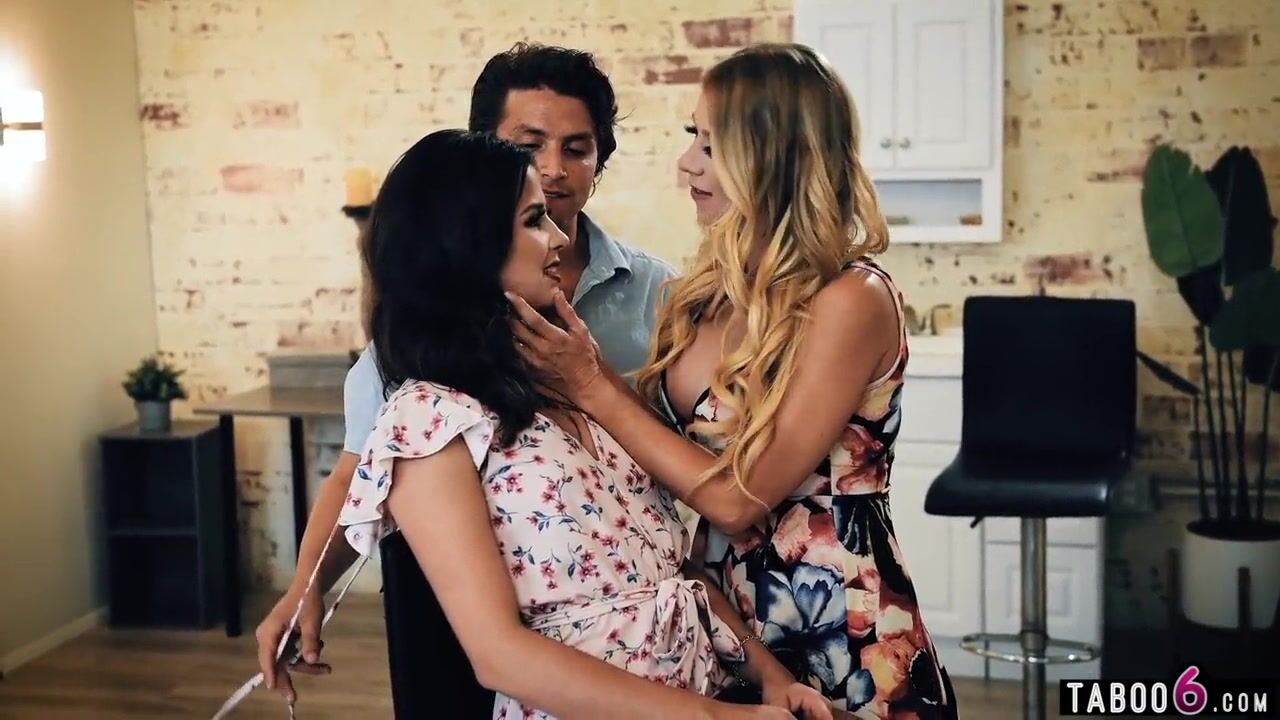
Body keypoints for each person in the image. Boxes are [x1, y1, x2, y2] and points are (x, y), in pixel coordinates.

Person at [275, 128, 830, 719]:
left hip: (705, 691)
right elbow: (500, 656)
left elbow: (670, 570)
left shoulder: (567, 381)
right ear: (467, 244)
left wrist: (770, 678)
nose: (562, 237)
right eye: (534, 220)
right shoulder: (428, 423)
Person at [508, 43, 959, 719]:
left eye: (712, 146)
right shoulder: (708, 292)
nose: (686, 163)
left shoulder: (853, 298)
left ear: (774, 156)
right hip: (719, 622)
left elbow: (736, 500)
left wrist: (590, 382)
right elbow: (659, 454)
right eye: (693, 136)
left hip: (840, 626)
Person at [254, 43, 678, 701]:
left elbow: (693, 456)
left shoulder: (660, 295)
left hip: (636, 619)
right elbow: (358, 469)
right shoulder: (422, 340)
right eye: (529, 145)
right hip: (472, 631)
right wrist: (307, 586)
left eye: (577, 148)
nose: (553, 168)